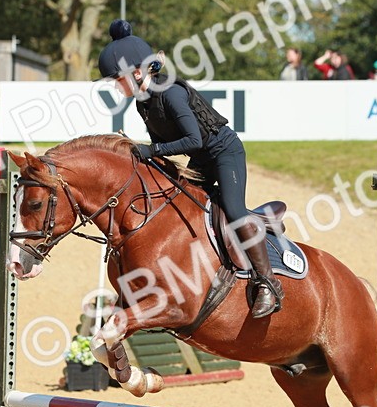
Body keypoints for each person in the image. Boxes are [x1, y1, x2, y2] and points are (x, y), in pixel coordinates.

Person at [97, 19, 282, 319]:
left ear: (137, 72)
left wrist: (151, 150)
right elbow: (163, 145)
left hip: (223, 153)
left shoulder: (170, 93)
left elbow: (193, 140)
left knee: (233, 211)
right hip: (200, 157)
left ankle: (268, 283)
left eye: (117, 79)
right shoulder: (142, 103)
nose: (116, 86)